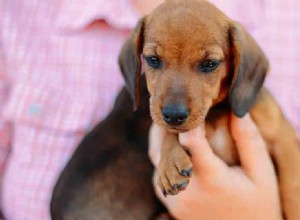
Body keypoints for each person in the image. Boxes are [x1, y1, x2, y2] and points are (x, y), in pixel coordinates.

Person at [0, 0, 299, 219]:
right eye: (154, 61)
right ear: (138, 62)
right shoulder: (17, 17)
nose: (175, 104)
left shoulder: (285, 20)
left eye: (208, 64)